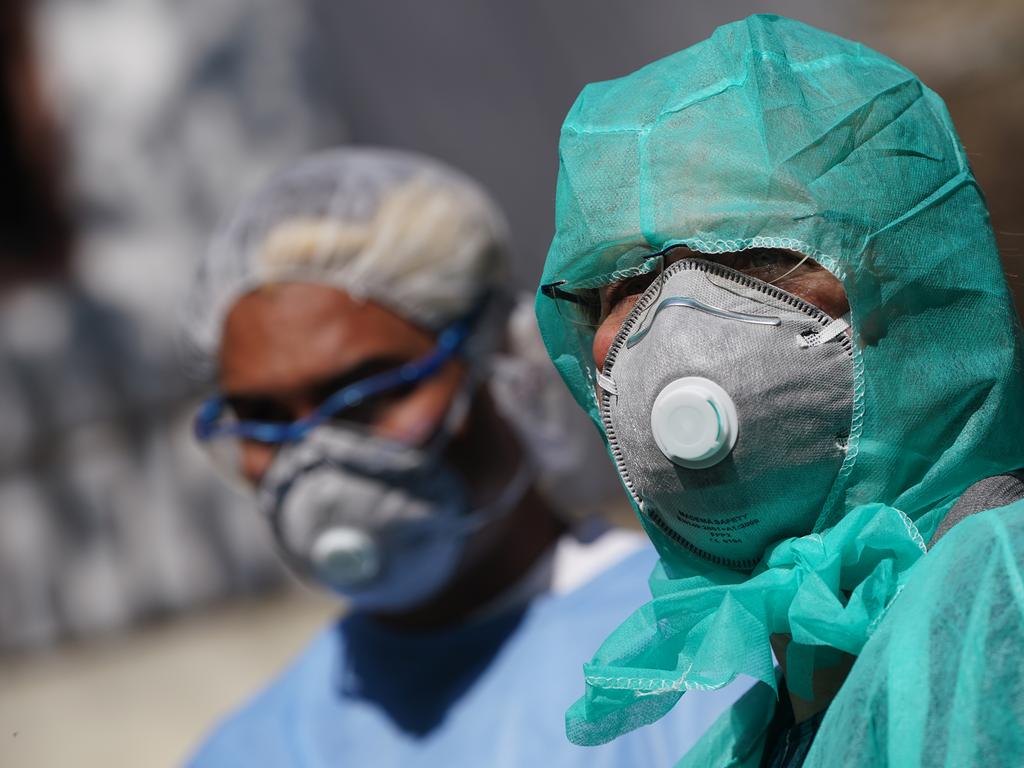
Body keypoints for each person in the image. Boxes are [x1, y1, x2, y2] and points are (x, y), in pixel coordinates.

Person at [536, 14, 1024, 768]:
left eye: (758, 259)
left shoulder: (1003, 591)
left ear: (913, 288)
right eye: (625, 284)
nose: (678, 328)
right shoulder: (754, 737)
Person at [183, 148, 747, 766]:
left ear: (507, 365)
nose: (313, 456)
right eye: (262, 419)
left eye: (367, 397)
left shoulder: (714, 657)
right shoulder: (256, 747)